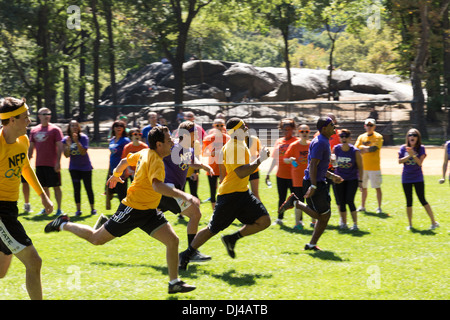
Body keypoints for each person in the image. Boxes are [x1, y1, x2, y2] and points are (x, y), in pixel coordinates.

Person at [44, 126, 196, 294]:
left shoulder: (145, 152)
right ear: (159, 145)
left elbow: (124, 162)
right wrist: (185, 196)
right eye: (169, 141)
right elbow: (158, 186)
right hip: (132, 209)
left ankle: (173, 283)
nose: (172, 143)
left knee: (172, 241)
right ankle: (63, 223)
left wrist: (116, 175)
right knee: (96, 239)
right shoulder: (156, 161)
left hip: (149, 211)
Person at [178, 118, 271, 270]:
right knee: (211, 229)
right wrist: (260, 159)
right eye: (243, 126)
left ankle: (231, 239)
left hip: (242, 192)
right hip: (230, 196)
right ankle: (186, 255)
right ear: (235, 131)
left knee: (264, 220)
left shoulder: (238, 144)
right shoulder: (234, 147)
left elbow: (225, 171)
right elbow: (241, 172)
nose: (246, 127)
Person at [0, 97, 53, 300]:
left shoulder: (23, 140)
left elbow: (25, 167)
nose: (29, 121)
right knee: (34, 261)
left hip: (11, 209)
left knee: (1, 272)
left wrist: (43, 196)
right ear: (11, 120)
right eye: (25, 117)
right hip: (1, 212)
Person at [279, 117, 343, 251]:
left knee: (324, 215)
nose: (334, 127)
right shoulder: (321, 142)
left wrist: (331, 176)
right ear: (324, 128)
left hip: (319, 181)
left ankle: (312, 244)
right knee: (319, 216)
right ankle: (295, 202)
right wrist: (313, 185)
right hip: (314, 182)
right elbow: (313, 165)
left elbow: (319, 167)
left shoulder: (323, 141)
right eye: (332, 125)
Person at [158, 121, 214, 262]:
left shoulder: (190, 147)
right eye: (193, 131)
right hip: (169, 190)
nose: (197, 134)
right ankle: (191, 251)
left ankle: (106, 224)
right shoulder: (173, 147)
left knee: (138, 216)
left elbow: (190, 162)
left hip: (171, 192)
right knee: (195, 214)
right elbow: (156, 155)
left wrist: (203, 166)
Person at [398, 129, 439, 230]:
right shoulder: (403, 148)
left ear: (418, 137)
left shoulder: (421, 148)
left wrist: (413, 154)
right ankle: (410, 225)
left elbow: (420, 163)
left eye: (415, 135)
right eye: (410, 135)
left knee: (422, 199)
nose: (412, 137)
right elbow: (399, 161)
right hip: (406, 178)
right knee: (409, 201)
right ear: (407, 137)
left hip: (417, 178)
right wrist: (408, 155)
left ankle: (434, 222)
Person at [29, 107, 64, 216]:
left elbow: (60, 146)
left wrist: (58, 162)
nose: (46, 116)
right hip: (39, 164)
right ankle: (47, 208)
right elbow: (31, 147)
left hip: (52, 164)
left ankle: (59, 209)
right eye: (44, 114)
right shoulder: (34, 130)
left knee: (56, 187)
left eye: (48, 114)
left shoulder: (55, 130)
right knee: (43, 188)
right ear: (39, 116)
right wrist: (27, 160)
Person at [266, 118, 299, 226]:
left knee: (296, 198)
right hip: (280, 174)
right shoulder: (279, 141)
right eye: (285, 130)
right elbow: (275, 159)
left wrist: (294, 166)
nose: (287, 132)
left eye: (289, 129)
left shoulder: (296, 141)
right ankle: (280, 218)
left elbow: (298, 161)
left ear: (293, 129)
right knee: (282, 197)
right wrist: (268, 173)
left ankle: (299, 220)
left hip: (294, 175)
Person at [279, 124, 311, 229]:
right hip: (297, 178)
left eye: (306, 131)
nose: (304, 133)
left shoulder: (311, 145)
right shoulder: (294, 145)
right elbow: (285, 159)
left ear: (309, 132)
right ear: (298, 133)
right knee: (299, 201)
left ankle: (314, 222)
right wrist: (291, 160)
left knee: (312, 200)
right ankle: (298, 223)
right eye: (302, 131)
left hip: (310, 177)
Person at [62, 120, 96, 216]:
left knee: (88, 188)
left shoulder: (84, 137)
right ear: (69, 127)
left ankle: (92, 209)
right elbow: (66, 155)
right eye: (72, 125)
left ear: (79, 127)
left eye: (76, 125)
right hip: (74, 168)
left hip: (85, 167)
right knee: (76, 189)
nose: (74, 127)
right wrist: (68, 146)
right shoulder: (66, 139)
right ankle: (78, 210)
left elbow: (83, 152)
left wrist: (76, 141)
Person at [332, 129, 363, 231]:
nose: (343, 138)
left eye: (346, 136)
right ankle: (344, 223)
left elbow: (360, 167)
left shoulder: (355, 151)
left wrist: (360, 181)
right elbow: (334, 165)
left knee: (350, 200)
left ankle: (355, 224)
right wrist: (332, 161)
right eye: (342, 136)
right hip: (339, 179)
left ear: (350, 138)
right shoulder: (336, 149)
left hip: (352, 179)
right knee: (341, 202)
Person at [354, 118, 384, 214]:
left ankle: (379, 207)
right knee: (363, 188)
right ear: (365, 126)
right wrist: (365, 148)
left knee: (377, 187)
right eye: (368, 125)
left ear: (374, 127)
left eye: (371, 125)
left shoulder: (378, 137)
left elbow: (374, 148)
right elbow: (355, 148)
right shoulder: (361, 137)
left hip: (374, 167)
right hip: (363, 167)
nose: (369, 127)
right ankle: (362, 206)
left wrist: (363, 148)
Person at [202, 118, 230, 209]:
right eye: (217, 125)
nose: (219, 127)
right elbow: (203, 153)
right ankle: (214, 212)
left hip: (224, 168)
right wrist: (213, 153)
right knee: (213, 191)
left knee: (225, 190)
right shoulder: (208, 138)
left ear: (224, 126)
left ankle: (225, 209)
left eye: (221, 125)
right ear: (213, 126)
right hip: (212, 168)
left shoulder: (228, 138)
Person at [106, 120, 131, 210]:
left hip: (122, 170)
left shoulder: (125, 140)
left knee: (122, 193)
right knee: (110, 190)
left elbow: (128, 155)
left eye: (121, 126)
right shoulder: (112, 140)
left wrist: (126, 170)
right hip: (112, 169)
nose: (119, 127)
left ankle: (124, 210)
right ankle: (121, 210)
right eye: (116, 126)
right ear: (113, 128)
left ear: (124, 128)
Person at [245, 122, 262, 201]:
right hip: (242, 170)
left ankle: (262, 213)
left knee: (255, 194)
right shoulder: (236, 141)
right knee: (241, 194)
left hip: (253, 169)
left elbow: (260, 152)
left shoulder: (254, 139)